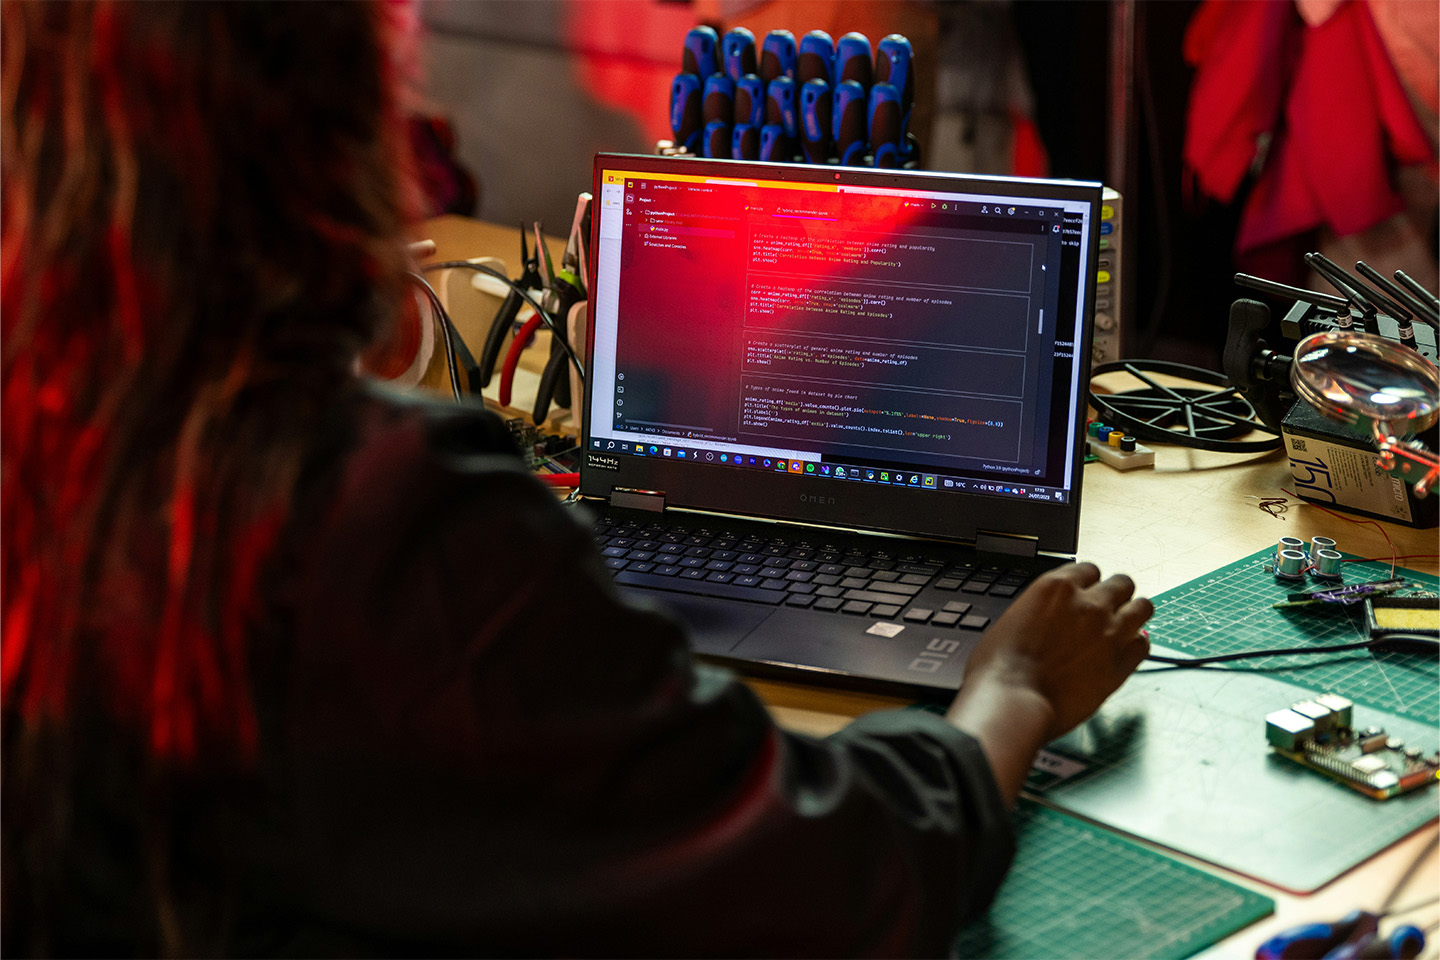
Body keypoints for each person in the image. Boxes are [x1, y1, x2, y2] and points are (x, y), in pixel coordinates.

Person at [0, 2, 1153, 956]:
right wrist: (1012, 691)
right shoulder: (385, 514)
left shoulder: (63, 445)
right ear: (335, 137)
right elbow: (823, 881)